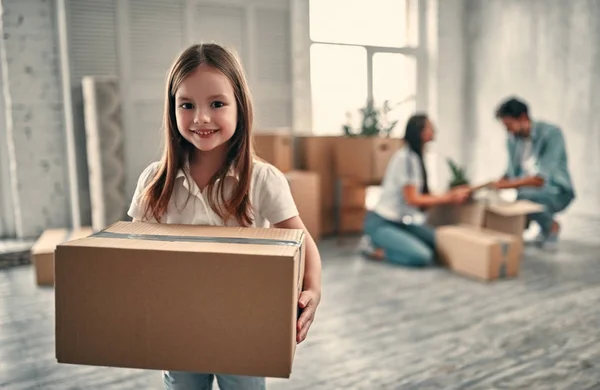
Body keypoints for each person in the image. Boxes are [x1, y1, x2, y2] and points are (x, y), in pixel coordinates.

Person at [127, 43, 322, 390]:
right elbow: (133, 254)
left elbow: (302, 241)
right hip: (178, 330)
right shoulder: (154, 181)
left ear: (240, 108)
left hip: (244, 330)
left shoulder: (263, 180)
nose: (201, 117)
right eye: (186, 105)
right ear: (172, 110)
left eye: (216, 104)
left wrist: (313, 290)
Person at [361, 114, 472, 267]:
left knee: (437, 241)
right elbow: (412, 199)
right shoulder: (405, 159)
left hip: (400, 222)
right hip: (382, 222)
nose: (434, 131)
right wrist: (449, 198)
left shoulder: (415, 157)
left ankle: (391, 242)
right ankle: (374, 248)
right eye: (430, 127)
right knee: (422, 256)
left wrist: (451, 194)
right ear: (420, 132)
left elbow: (423, 196)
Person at [492, 97, 575, 245]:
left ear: (523, 118)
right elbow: (511, 172)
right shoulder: (512, 140)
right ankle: (534, 225)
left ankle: (551, 227)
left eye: (509, 125)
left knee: (525, 196)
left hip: (556, 191)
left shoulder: (551, 134)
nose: (508, 131)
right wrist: (495, 184)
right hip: (528, 190)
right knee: (510, 203)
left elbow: (541, 179)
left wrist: (507, 186)